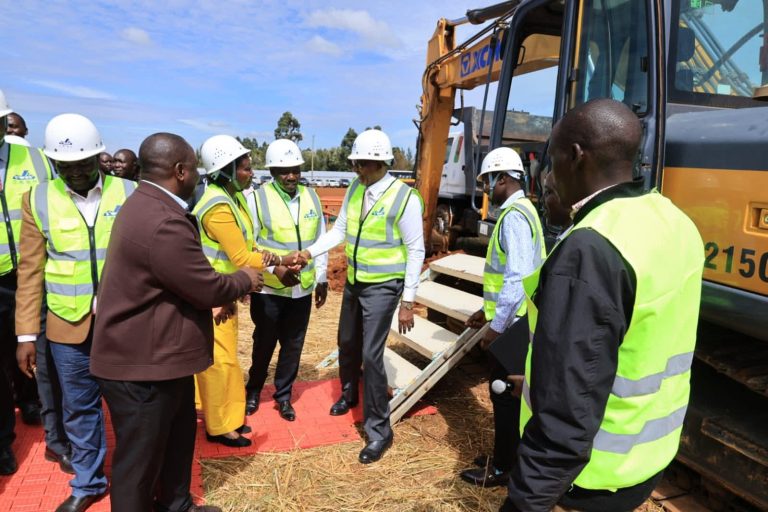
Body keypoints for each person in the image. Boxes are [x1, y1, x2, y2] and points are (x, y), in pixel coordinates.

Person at [502, 99, 704, 511]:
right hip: (646, 459)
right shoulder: (675, 221)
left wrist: (524, 502)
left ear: (576, 156)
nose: (548, 176)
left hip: (591, 475)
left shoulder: (591, 249)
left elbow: (566, 417)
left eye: (552, 160)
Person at [90, 132, 263, 512]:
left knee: (176, 440)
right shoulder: (163, 220)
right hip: (142, 366)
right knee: (139, 464)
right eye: (195, 169)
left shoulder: (147, 204)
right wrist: (245, 279)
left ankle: (176, 505)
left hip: (163, 358)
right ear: (180, 170)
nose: (199, 176)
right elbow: (204, 287)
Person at [15, 113, 136, 512]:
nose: (75, 173)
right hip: (67, 328)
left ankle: (135, 481)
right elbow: (30, 272)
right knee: (79, 408)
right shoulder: (37, 199)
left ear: (99, 156)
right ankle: (88, 483)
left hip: (124, 325)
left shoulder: (130, 193)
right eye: (64, 165)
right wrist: (26, 335)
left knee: (131, 407)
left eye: (82, 163)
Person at [296, 129, 425, 464]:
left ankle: (379, 431)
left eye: (362, 164)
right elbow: (339, 230)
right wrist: (309, 253)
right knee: (347, 342)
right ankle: (349, 393)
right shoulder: (356, 188)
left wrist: (408, 301)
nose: (356, 169)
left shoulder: (404, 198)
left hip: (384, 286)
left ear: (380, 163)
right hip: (355, 280)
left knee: (371, 354)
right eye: (355, 163)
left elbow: (416, 250)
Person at [459, 147, 545, 488]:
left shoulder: (513, 217)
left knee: (504, 396)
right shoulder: (526, 211)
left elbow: (515, 277)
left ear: (504, 179)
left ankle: (503, 468)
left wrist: (495, 328)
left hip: (514, 326)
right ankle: (507, 456)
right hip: (517, 319)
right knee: (509, 397)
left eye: (488, 182)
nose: (486, 189)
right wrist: (486, 313)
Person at [193, 134, 283, 447]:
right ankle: (219, 426)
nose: (251, 173)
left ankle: (226, 416)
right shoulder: (217, 206)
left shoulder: (233, 197)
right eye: (245, 168)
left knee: (225, 356)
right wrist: (279, 261)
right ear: (226, 171)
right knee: (220, 362)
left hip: (226, 289)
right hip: (214, 293)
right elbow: (241, 257)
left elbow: (246, 245)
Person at [245, 139, 328, 421]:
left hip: (301, 290)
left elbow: (321, 240)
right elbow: (250, 244)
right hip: (270, 290)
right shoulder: (257, 199)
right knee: (264, 343)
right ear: (272, 171)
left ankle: (283, 396)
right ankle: (253, 390)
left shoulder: (311, 196)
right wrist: (274, 269)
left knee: (293, 345)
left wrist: (322, 277)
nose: (291, 176)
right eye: (284, 171)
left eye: (295, 170)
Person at [0, 90, 57, 475]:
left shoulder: (34, 158)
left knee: (36, 348)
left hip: (30, 274)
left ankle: (36, 404)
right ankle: (3, 440)